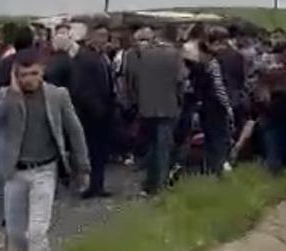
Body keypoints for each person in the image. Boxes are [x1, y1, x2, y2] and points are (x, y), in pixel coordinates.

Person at [0, 49, 90, 251]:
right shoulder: (7, 96)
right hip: (15, 173)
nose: (29, 79)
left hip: (45, 170)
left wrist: (82, 167)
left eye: (34, 73)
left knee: (38, 231)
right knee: (15, 233)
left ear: (43, 71)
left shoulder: (57, 96)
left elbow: (75, 131)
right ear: (15, 75)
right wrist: (10, 94)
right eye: (23, 75)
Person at [126, 29, 185, 194]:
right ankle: (161, 186)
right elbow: (181, 81)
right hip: (168, 107)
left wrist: (137, 101)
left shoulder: (134, 56)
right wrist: (179, 100)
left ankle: (150, 183)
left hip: (146, 108)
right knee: (164, 148)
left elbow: (131, 82)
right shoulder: (173, 54)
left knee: (152, 147)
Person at [72, 24, 116, 198]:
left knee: (100, 151)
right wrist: (95, 107)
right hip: (90, 113)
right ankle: (88, 185)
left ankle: (98, 185)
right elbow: (80, 87)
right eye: (99, 35)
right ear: (92, 36)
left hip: (105, 110)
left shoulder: (103, 56)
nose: (103, 39)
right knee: (90, 149)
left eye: (105, 36)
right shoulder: (84, 57)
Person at [195, 41, 234, 175]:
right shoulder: (209, 65)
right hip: (212, 107)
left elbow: (218, 88)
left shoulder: (210, 65)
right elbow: (218, 87)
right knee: (215, 137)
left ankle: (216, 166)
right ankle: (217, 167)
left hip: (212, 106)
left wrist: (226, 105)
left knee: (214, 137)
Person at [45, 25, 75, 90]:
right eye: (61, 34)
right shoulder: (49, 56)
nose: (62, 37)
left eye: (66, 34)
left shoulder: (77, 57)